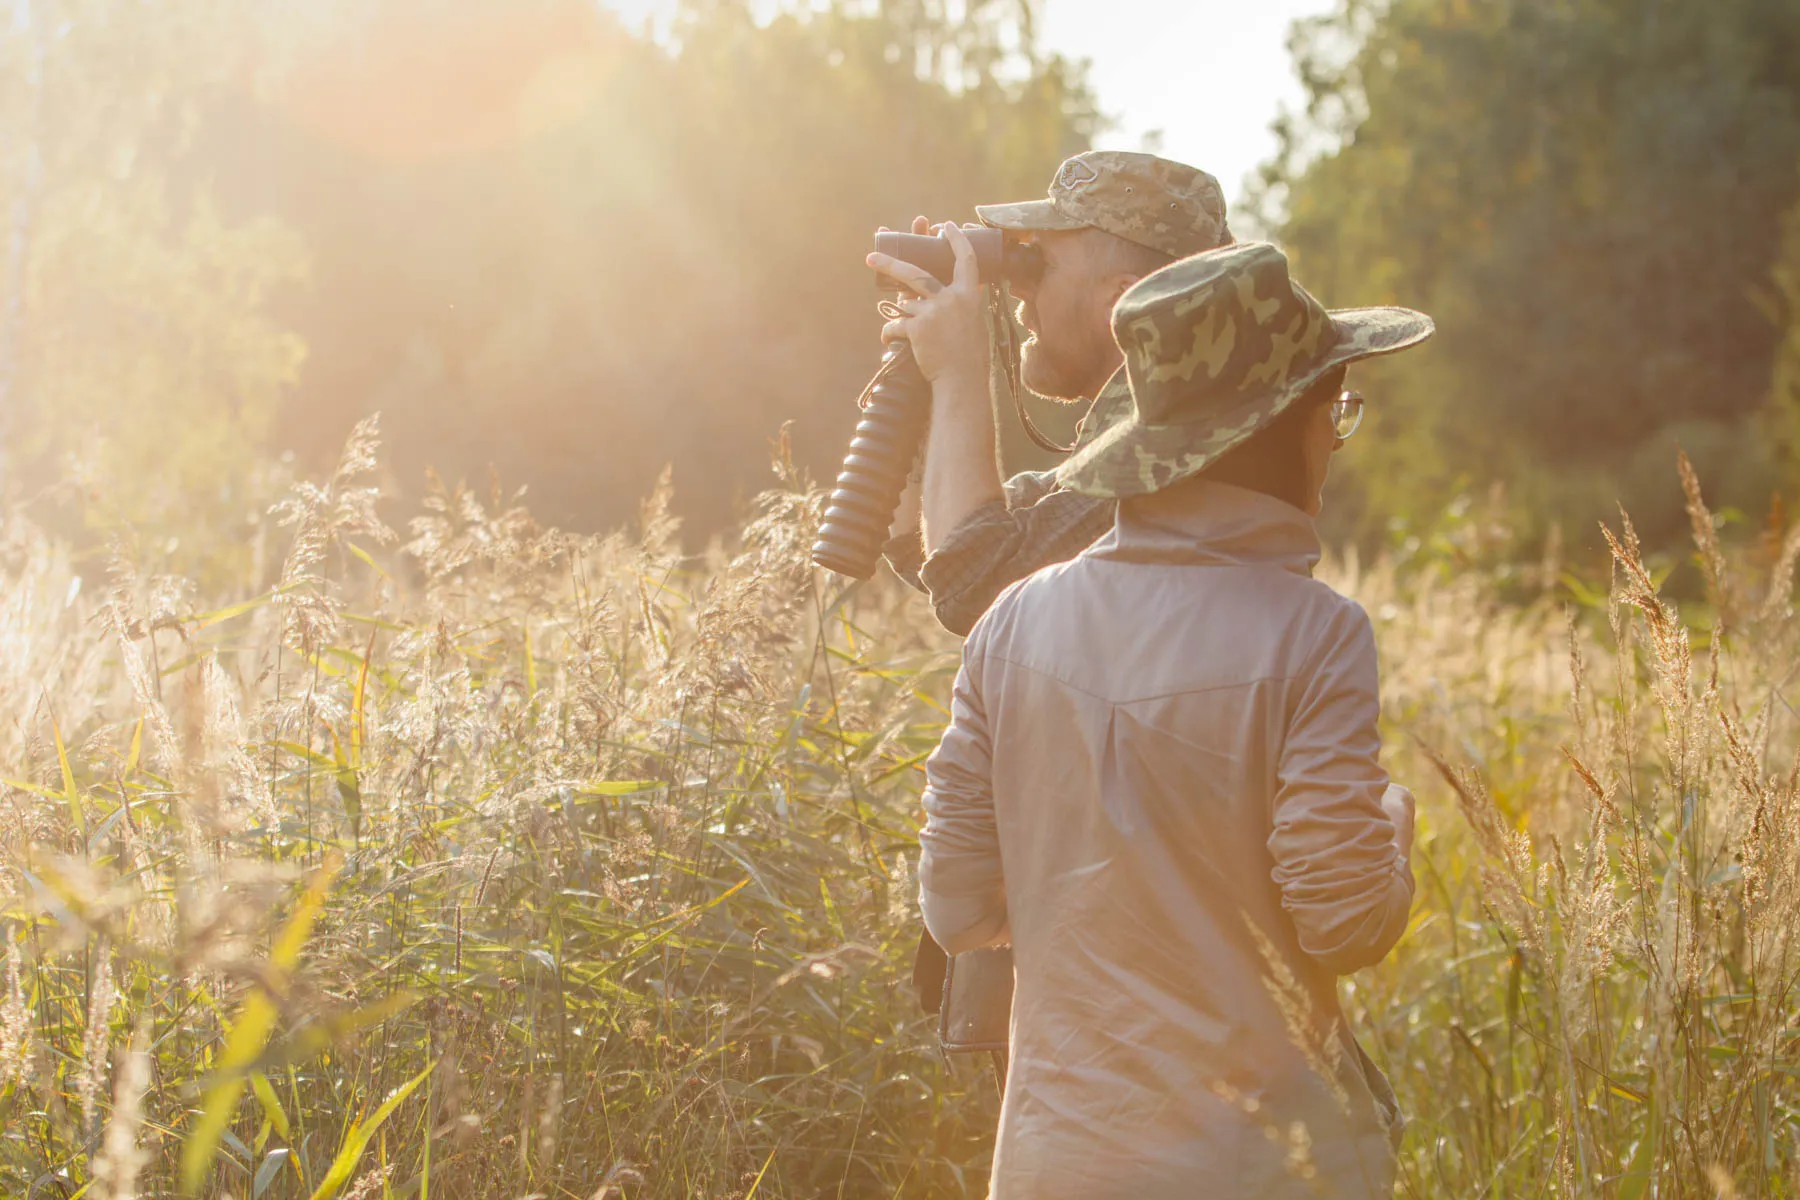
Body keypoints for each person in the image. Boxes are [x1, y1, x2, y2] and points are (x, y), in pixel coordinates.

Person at [917, 242, 1432, 1199]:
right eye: (1337, 412)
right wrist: (1396, 824)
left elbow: (955, 911)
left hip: (1054, 1164)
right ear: (1285, 426)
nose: (1335, 440)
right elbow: (1345, 919)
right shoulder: (1315, 634)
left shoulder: (1010, 624)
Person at [867, 150, 1232, 637]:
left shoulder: (1169, 455)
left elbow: (975, 587)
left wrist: (959, 373)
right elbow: (927, 545)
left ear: (1123, 299)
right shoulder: (1136, 438)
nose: (1018, 287)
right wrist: (923, 375)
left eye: (1040, 264)